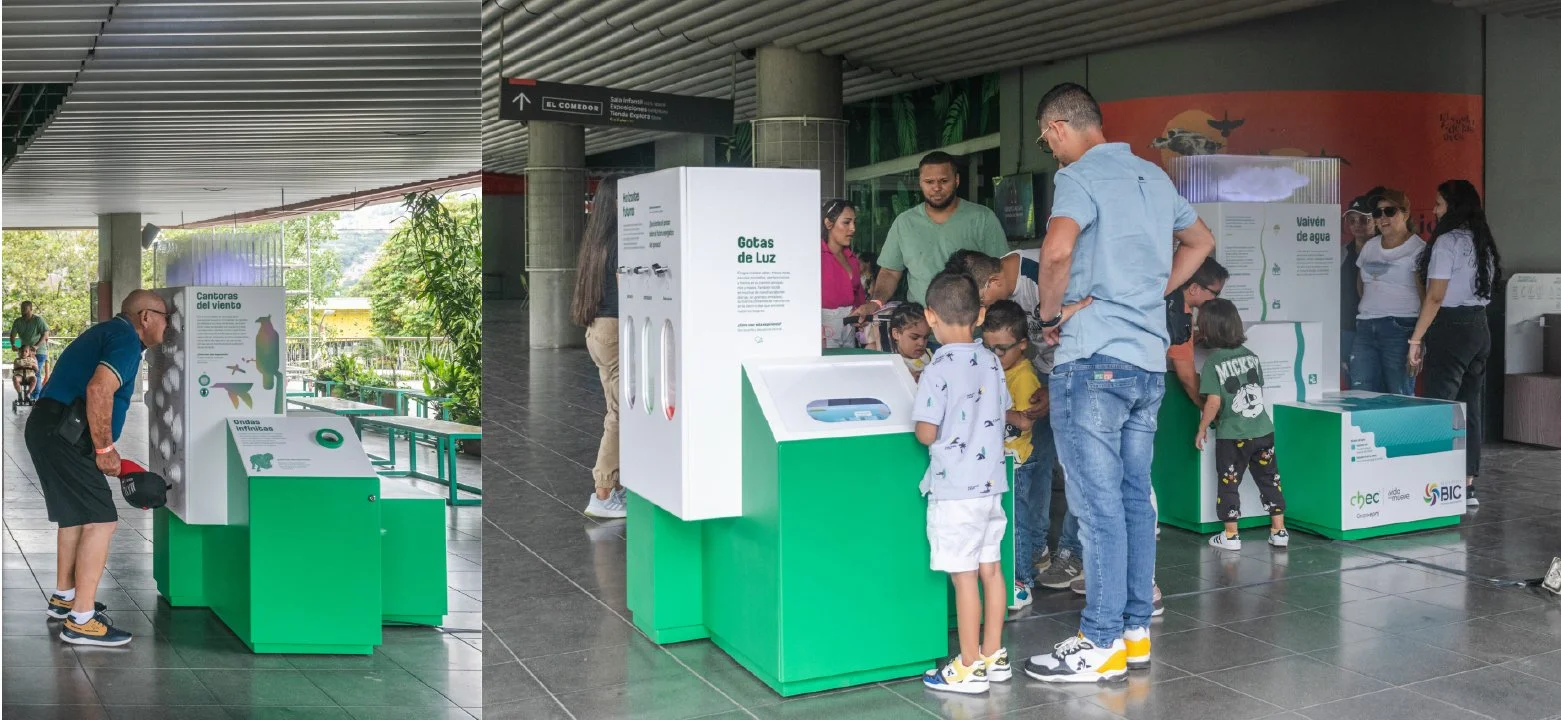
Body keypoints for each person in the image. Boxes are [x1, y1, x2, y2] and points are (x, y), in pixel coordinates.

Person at [1023, 82, 1215, 684]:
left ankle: (1098, 637)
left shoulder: (1077, 176)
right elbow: (1201, 242)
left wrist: (1050, 317)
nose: (1049, 149)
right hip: (1146, 360)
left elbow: (1056, 253)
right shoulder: (1153, 177)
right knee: (1134, 501)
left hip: (1094, 358)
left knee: (1097, 503)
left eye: (1045, 138)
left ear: (1057, 128)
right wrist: (1148, 294)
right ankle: (1133, 633)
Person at [26, 289, 168, 646]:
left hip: (49, 427)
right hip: (65, 432)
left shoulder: (108, 332)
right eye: (166, 317)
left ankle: (66, 598)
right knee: (101, 520)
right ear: (145, 317)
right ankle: (83, 619)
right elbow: (99, 390)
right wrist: (105, 448)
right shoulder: (124, 338)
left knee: (74, 517)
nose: (169, 325)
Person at [914, 271, 1010, 695]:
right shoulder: (991, 359)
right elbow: (1002, 408)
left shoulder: (936, 368)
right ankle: (992, 654)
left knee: (963, 576)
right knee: (991, 569)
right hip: (991, 486)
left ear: (930, 316)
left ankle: (968, 665)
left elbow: (926, 432)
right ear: (980, 314)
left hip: (956, 492)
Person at [1408, 179, 1502, 509]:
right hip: (1480, 326)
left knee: (1439, 403)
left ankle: (1434, 482)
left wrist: (1416, 338)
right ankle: (1466, 484)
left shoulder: (1447, 242)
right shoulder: (1483, 242)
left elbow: (1435, 296)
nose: (1434, 210)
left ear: (1454, 206)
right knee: (1470, 406)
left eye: (1439, 204)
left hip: (1451, 327)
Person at [852, 152, 1010, 320]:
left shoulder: (982, 218)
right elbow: (890, 272)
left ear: (956, 180)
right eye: (929, 182)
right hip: (920, 333)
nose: (936, 188)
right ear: (920, 183)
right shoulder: (905, 222)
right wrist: (875, 302)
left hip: (972, 330)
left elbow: (1003, 271)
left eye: (943, 181)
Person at [1193, 298, 1290, 550]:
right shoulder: (1252, 357)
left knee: (1229, 481)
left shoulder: (1213, 362)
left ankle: (1231, 535)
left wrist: (1202, 427)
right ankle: (1279, 531)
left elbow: (1213, 402)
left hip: (1233, 434)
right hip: (1263, 430)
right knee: (1270, 479)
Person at [981, 301, 1045, 610]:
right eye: (988, 347)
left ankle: (1022, 583)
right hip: (1002, 459)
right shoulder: (1000, 368)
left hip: (1017, 461)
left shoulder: (1022, 376)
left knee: (1017, 523)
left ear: (1022, 345)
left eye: (1001, 350)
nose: (994, 356)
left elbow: (1024, 419)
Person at [572, 178, 627, 520]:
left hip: (598, 330)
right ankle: (603, 492)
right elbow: (628, 288)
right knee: (620, 414)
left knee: (616, 409)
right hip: (616, 329)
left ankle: (614, 486)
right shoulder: (623, 239)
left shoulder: (596, 240)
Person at [1349, 188, 1424, 395]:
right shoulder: (1370, 246)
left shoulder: (1418, 249)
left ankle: (1403, 430)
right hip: (1365, 325)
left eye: (1389, 211)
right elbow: (1361, 283)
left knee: (1399, 395)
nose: (1383, 217)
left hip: (1401, 328)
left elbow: (1425, 295)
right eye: (1377, 213)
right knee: (1361, 393)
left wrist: (1418, 339)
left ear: (1405, 214)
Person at [1166, 257, 1231, 404]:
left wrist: (1192, 337)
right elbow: (1187, 376)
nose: (1215, 299)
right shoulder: (1179, 316)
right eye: (1215, 293)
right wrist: (1210, 409)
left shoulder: (1168, 299)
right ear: (1194, 288)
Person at [1340, 188, 1385, 383]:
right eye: (1352, 220)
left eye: (1364, 219)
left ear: (1375, 221)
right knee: (1355, 384)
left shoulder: (1385, 251)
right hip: (1348, 327)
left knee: (1384, 384)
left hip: (1380, 327)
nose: (1357, 225)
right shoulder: (1341, 253)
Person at [820, 198, 866, 348]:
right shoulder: (815, 256)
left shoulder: (851, 258)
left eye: (854, 222)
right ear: (828, 223)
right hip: (823, 329)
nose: (853, 228)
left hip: (850, 326)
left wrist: (862, 314)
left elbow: (858, 295)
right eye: (846, 222)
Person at [10, 301, 51, 399]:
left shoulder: (38, 320)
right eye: (21, 308)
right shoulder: (18, 321)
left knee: (35, 373)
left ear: (30, 309)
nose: (22, 310)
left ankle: (35, 397)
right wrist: (13, 344)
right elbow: (12, 335)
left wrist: (36, 346)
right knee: (22, 371)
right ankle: (25, 394)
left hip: (39, 351)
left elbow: (45, 334)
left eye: (25, 308)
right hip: (25, 351)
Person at [888, 303, 933, 380]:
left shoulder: (930, 356)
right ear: (896, 334)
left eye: (926, 337)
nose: (921, 343)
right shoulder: (888, 362)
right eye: (914, 337)